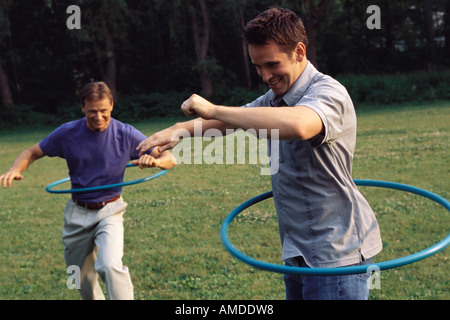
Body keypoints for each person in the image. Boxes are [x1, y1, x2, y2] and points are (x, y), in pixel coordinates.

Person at [137, 7, 382, 300]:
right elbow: (235, 119)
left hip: (336, 253)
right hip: (298, 251)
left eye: (272, 64)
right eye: (257, 67)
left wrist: (213, 107)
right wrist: (179, 130)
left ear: (299, 51)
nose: (265, 76)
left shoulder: (329, 92)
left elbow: (301, 124)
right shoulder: (275, 98)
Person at [0, 81, 176, 300]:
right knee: (77, 276)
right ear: (83, 108)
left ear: (111, 105)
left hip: (110, 208)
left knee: (110, 265)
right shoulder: (67, 133)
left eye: (104, 111)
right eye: (92, 111)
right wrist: (15, 169)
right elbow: (32, 152)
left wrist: (156, 162)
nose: (98, 117)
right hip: (77, 212)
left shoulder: (126, 133)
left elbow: (168, 158)